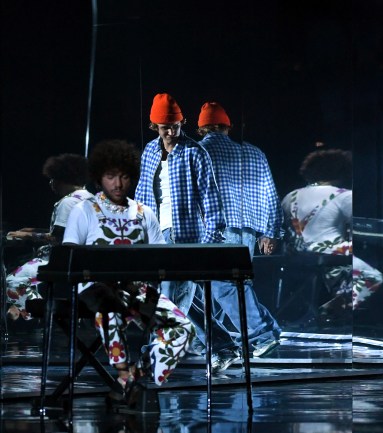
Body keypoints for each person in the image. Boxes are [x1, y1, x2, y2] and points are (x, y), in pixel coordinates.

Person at [63, 139, 195, 406]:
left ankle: (130, 378)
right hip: (96, 290)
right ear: (99, 178)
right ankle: (123, 373)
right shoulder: (84, 210)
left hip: (136, 290)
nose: (117, 183)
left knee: (183, 328)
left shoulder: (144, 213)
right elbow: (69, 256)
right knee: (108, 305)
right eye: (110, 176)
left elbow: (160, 257)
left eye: (123, 176)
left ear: (132, 177)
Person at [134, 93, 240, 373]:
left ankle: (154, 354)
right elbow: (142, 193)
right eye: (164, 127)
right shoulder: (149, 151)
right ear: (154, 127)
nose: (170, 132)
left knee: (170, 300)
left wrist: (211, 239)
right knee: (183, 301)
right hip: (157, 235)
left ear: (182, 123)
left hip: (186, 236)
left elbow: (210, 197)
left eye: (175, 126)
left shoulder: (194, 152)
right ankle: (224, 346)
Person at [195, 101, 282, 357]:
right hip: (249, 231)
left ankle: (261, 335)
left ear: (201, 128)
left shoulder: (197, 152)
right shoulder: (254, 152)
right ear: (228, 126)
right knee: (236, 284)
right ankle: (264, 333)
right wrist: (271, 232)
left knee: (223, 287)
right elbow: (271, 194)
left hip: (216, 229)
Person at [281, 148, 383, 318]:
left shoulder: (290, 196)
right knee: (373, 276)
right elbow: (362, 226)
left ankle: (330, 300)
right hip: (328, 253)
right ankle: (331, 309)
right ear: (343, 172)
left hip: (294, 254)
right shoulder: (343, 196)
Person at [5, 153, 93, 320]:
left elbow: (56, 238)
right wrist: (32, 230)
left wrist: (27, 236)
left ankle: (42, 313)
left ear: (63, 179)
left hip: (61, 261)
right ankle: (27, 310)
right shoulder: (90, 198)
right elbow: (68, 230)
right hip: (83, 260)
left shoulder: (68, 202)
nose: (51, 183)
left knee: (12, 282)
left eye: (53, 178)